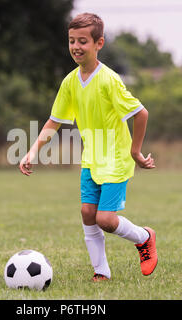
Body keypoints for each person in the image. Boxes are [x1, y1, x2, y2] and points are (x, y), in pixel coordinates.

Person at [19, 13, 158, 281]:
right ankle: (101, 272)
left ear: (99, 43)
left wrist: (135, 152)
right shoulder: (70, 81)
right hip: (91, 158)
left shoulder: (109, 79)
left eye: (83, 41)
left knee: (105, 219)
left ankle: (144, 237)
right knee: (87, 213)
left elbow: (141, 113)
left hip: (116, 158)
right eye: (71, 41)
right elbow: (54, 121)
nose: (75, 46)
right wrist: (32, 150)